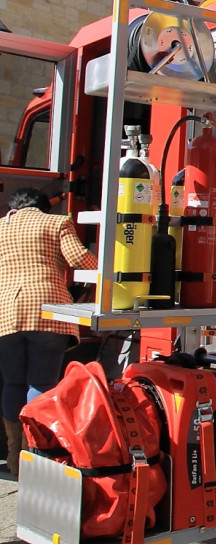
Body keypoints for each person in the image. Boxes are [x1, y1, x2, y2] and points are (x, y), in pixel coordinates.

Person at [0, 187, 97, 475]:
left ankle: (14, 457)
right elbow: (81, 260)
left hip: (6, 314)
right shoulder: (56, 222)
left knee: (13, 384)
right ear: (43, 207)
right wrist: (109, 266)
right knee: (41, 385)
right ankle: (37, 456)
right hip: (48, 313)